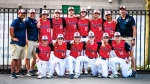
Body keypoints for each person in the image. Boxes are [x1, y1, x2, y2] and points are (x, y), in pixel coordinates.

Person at [116, 6, 137, 77]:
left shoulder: (130, 18)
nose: (122, 11)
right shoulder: (118, 19)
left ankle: (134, 70)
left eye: (123, 10)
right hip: (121, 38)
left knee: (131, 53)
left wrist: (133, 39)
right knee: (121, 54)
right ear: (119, 11)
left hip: (129, 38)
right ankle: (123, 69)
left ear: (126, 10)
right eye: (121, 10)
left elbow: (134, 29)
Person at [9, 9, 26, 78]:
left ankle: (17, 71)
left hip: (22, 43)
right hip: (16, 43)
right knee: (15, 58)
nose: (23, 14)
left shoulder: (22, 22)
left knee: (19, 58)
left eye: (24, 13)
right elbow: (11, 27)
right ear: (19, 13)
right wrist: (12, 37)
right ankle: (12, 73)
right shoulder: (16, 20)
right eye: (22, 13)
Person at [24, 9, 38, 76]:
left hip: (35, 41)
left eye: (33, 13)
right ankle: (28, 70)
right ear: (29, 13)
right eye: (31, 13)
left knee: (35, 57)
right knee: (28, 57)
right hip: (29, 41)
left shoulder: (35, 21)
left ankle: (31, 69)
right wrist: (26, 39)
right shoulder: (27, 21)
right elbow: (25, 30)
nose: (32, 14)